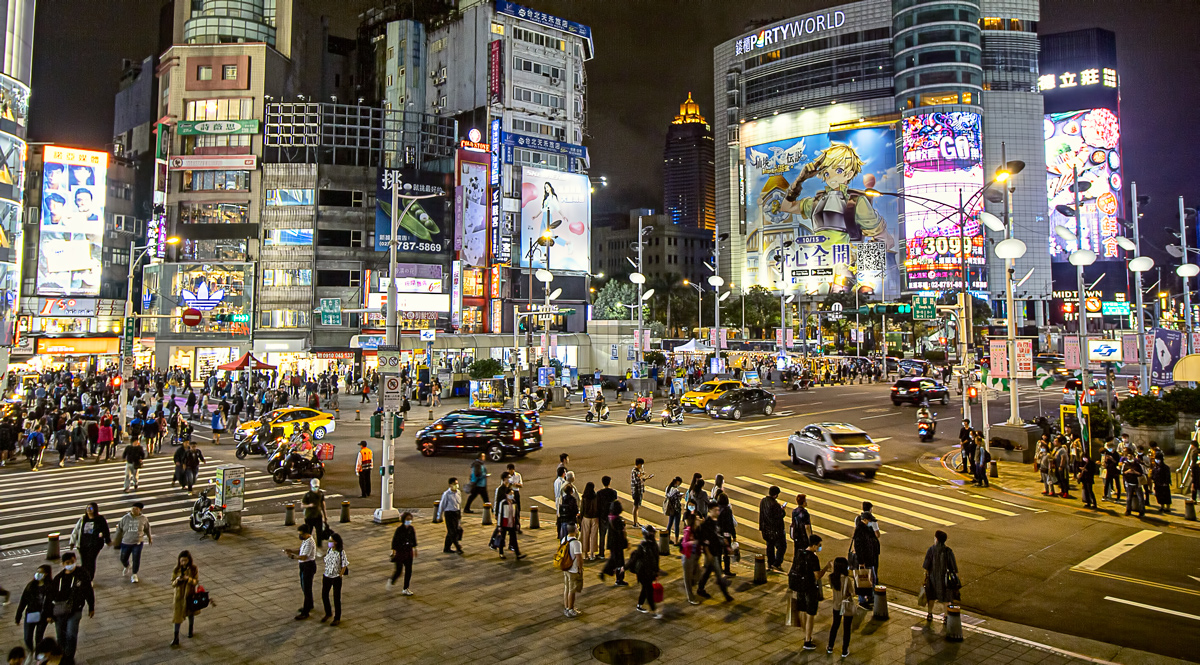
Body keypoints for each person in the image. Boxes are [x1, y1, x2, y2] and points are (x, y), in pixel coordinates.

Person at [51, 552, 94, 665]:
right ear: (63, 564)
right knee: (60, 635)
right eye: (68, 563)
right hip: (60, 610)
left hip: (75, 609)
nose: (70, 564)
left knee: (71, 633)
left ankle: (68, 659)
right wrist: (49, 614)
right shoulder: (58, 578)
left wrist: (91, 606)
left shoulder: (82, 574)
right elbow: (51, 596)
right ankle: (62, 656)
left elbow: (88, 590)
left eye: (72, 562)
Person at [788, 534, 829, 651]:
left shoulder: (799, 552)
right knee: (810, 614)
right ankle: (807, 639)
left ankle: (805, 632)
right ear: (815, 546)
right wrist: (827, 567)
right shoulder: (813, 558)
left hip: (799, 586)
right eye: (819, 545)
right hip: (809, 588)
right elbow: (818, 576)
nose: (820, 547)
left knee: (802, 609)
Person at [696, 504, 733, 602]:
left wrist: (726, 545)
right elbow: (704, 540)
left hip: (717, 551)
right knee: (719, 575)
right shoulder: (706, 524)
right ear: (710, 510)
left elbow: (718, 535)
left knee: (708, 571)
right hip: (712, 553)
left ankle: (700, 588)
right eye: (716, 510)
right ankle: (726, 595)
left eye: (718, 510)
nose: (718, 512)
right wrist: (708, 553)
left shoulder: (717, 522)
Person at [15, 565, 54, 656]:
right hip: (31, 614)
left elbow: (52, 603)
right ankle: (31, 651)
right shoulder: (31, 586)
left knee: (38, 637)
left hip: (43, 616)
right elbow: (23, 601)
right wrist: (18, 616)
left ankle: (38, 654)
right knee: (27, 637)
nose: (38, 574)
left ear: (46, 574)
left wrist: (50, 615)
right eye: (37, 572)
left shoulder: (50, 587)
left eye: (41, 572)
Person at [922, 530, 959, 622]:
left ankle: (930, 614)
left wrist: (925, 577)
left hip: (932, 578)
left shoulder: (931, 550)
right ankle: (946, 617)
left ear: (937, 539)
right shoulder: (948, 551)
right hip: (945, 580)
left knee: (931, 597)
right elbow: (953, 567)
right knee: (946, 599)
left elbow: (926, 565)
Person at [849, 502, 880, 609]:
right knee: (862, 579)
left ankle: (869, 596)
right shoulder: (860, 530)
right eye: (870, 520)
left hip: (869, 559)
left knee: (871, 579)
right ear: (865, 520)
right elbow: (858, 547)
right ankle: (862, 600)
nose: (871, 522)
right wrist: (861, 562)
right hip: (864, 561)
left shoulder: (865, 529)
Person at [68, 503, 110, 581]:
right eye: (87, 508)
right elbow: (76, 530)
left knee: (90, 561)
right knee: (84, 562)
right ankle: (85, 577)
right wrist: (72, 542)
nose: (89, 510)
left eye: (90, 508)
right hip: (83, 544)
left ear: (95, 509)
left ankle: (90, 578)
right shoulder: (83, 519)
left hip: (95, 545)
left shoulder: (100, 519)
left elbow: (106, 530)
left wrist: (106, 539)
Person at [283, 524, 318, 620]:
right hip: (303, 566)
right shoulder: (305, 541)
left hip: (308, 566)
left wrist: (293, 557)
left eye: (301, 534)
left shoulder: (310, 542)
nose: (300, 536)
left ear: (307, 534)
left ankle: (305, 612)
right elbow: (300, 550)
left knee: (307, 588)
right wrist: (291, 550)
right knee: (304, 586)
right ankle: (309, 604)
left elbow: (304, 556)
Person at [112, 502, 152, 584]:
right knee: (123, 558)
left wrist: (149, 537)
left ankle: (134, 574)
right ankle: (126, 565)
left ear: (140, 510)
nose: (133, 510)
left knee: (136, 558)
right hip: (126, 542)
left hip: (138, 542)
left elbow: (147, 528)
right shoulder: (125, 518)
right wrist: (116, 540)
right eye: (132, 508)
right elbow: (119, 529)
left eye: (136, 509)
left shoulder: (143, 519)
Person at [629, 525, 662, 619]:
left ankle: (639, 605)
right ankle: (654, 610)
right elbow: (633, 559)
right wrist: (624, 567)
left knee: (645, 589)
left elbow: (656, 559)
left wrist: (656, 571)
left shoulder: (653, 545)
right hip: (643, 573)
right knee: (649, 591)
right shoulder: (643, 546)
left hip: (650, 572)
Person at [826, 556, 855, 657]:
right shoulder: (847, 580)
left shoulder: (831, 578)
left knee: (835, 625)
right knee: (847, 629)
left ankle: (830, 646)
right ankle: (844, 650)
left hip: (836, 605)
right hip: (846, 605)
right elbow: (853, 593)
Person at [170, 551, 199, 647]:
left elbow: (196, 582)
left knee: (190, 613)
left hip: (189, 595)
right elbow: (172, 583)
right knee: (177, 617)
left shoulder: (193, 569)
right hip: (179, 597)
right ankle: (176, 637)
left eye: (185, 560)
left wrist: (188, 579)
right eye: (181, 560)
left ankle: (190, 630)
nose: (183, 562)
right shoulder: (176, 569)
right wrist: (177, 580)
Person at [320, 532, 348, 625]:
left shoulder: (341, 552)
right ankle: (328, 612)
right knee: (324, 595)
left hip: (335, 577)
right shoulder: (329, 550)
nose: (329, 542)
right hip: (327, 575)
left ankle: (337, 618)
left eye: (331, 541)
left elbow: (344, 564)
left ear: (336, 542)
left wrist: (340, 575)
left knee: (336, 598)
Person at [599, 500, 629, 587]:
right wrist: (626, 542)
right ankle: (619, 579)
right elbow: (621, 533)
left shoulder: (610, 517)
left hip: (612, 542)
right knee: (620, 562)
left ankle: (605, 572)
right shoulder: (618, 520)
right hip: (618, 543)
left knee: (613, 559)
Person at [758, 486, 787, 572]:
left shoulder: (763, 501)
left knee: (770, 547)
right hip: (776, 530)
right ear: (775, 495)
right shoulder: (774, 505)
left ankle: (770, 563)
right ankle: (776, 563)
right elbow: (779, 516)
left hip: (766, 530)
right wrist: (782, 510)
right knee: (782, 546)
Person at [388, 512, 417, 595]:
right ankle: (392, 580)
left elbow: (414, 540)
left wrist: (415, 549)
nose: (409, 521)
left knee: (409, 570)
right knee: (399, 570)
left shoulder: (411, 529)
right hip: (400, 552)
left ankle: (406, 588)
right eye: (407, 519)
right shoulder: (399, 530)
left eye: (410, 519)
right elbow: (395, 541)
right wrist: (393, 551)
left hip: (408, 552)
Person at [561, 523, 583, 618]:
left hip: (566, 567)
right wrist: (580, 568)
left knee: (566, 588)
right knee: (572, 590)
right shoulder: (576, 543)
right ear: (575, 530)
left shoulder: (564, 539)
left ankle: (566, 607)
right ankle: (571, 609)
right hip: (573, 569)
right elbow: (579, 558)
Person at [436, 477, 464, 554]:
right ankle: (458, 547)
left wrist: (459, 514)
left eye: (457, 484)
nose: (456, 485)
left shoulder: (458, 492)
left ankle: (447, 548)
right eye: (454, 484)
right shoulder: (446, 494)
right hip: (449, 514)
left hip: (456, 513)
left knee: (457, 530)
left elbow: (459, 504)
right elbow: (442, 505)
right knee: (452, 532)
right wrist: (439, 516)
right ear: (450, 485)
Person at [679, 511, 701, 605]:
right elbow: (684, 543)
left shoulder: (697, 530)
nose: (698, 520)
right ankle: (691, 598)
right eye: (697, 519)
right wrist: (692, 543)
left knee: (699, 572)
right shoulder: (688, 530)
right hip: (687, 556)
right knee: (687, 578)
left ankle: (691, 585)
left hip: (695, 556)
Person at [496, 484, 524, 560]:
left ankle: (518, 554)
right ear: (506, 495)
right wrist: (499, 525)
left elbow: (516, 514)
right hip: (505, 523)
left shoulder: (514, 502)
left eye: (513, 494)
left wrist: (517, 523)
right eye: (510, 494)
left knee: (514, 539)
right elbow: (500, 514)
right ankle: (501, 553)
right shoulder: (503, 503)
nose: (512, 495)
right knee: (502, 538)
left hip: (512, 523)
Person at [595, 476, 617, 560]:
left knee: (602, 535)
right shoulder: (613, 492)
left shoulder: (599, 493)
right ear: (609, 482)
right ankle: (612, 553)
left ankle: (601, 553)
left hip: (602, 516)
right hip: (611, 516)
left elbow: (598, 505)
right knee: (612, 535)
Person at [301, 479, 328, 546]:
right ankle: (307, 546)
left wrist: (325, 516)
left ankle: (319, 546)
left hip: (318, 516)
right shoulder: (307, 495)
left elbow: (323, 504)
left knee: (319, 533)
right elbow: (302, 505)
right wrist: (308, 505)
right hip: (309, 516)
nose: (315, 488)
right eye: (314, 487)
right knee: (308, 532)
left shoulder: (321, 494)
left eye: (317, 487)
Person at [579, 482, 600, 561]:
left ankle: (585, 554)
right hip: (595, 518)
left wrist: (581, 520)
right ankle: (592, 554)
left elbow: (582, 509)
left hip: (586, 518)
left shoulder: (584, 498)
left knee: (585, 536)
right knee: (594, 536)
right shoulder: (596, 497)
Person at [630, 458, 653, 527]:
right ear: (639, 464)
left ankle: (636, 521)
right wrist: (646, 478)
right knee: (636, 506)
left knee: (637, 507)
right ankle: (634, 522)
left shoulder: (637, 471)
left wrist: (641, 474)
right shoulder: (635, 471)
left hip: (638, 491)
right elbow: (638, 481)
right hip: (636, 491)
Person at [1121, 451, 1145, 517]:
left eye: (1131, 456)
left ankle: (1141, 511)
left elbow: (1141, 474)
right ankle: (1128, 510)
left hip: (1137, 484)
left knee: (1140, 498)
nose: (1129, 458)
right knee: (1129, 498)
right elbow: (1122, 473)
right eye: (1128, 456)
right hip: (1129, 483)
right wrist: (1127, 471)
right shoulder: (1125, 464)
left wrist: (1135, 472)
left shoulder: (1137, 465)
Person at [663, 476, 684, 544]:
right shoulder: (676, 490)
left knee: (669, 523)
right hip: (676, 509)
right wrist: (680, 497)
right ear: (677, 482)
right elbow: (677, 501)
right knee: (676, 525)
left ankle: (668, 538)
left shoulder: (667, 488)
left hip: (670, 508)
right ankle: (676, 541)